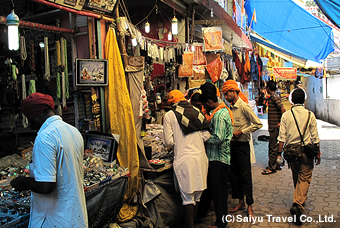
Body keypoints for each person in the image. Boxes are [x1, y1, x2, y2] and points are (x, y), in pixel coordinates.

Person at [10, 92, 88, 227]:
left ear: (39, 114)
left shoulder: (45, 137)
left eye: (30, 118)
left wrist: (23, 182)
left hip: (55, 219)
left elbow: (47, 186)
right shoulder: (73, 131)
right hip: (74, 216)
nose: (30, 125)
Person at [163, 90, 211, 228]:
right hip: (201, 158)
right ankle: (192, 224)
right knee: (197, 197)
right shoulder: (196, 111)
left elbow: (168, 142)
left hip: (184, 160)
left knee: (188, 199)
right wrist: (194, 139)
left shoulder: (170, 115)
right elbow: (206, 136)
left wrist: (181, 141)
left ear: (171, 102)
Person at [277, 88, 321, 225]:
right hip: (306, 152)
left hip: (291, 152)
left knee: (297, 176)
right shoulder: (310, 115)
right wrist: (318, 153)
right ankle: (298, 205)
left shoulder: (286, 115)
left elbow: (281, 137)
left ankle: (299, 201)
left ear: (291, 100)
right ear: (304, 100)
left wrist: (279, 153)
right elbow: (315, 137)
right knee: (305, 178)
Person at [222, 80, 262, 218]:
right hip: (232, 145)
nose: (226, 97)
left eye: (227, 94)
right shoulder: (230, 107)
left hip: (242, 146)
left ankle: (250, 205)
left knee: (246, 176)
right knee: (235, 176)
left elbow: (258, 124)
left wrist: (243, 131)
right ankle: (241, 202)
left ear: (234, 92)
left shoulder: (244, 107)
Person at [196, 82, 233, 228]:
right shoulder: (219, 112)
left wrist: (202, 138)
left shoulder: (219, 115)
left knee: (219, 193)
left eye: (205, 104)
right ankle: (204, 216)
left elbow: (218, 138)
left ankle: (222, 223)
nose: (204, 107)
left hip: (218, 159)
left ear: (210, 101)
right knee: (214, 191)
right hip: (215, 159)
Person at [262, 80, 286, 175]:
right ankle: (276, 165)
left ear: (268, 88)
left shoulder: (274, 97)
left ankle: (272, 168)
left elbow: (283, 109)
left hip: (275, 127)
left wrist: (280, 122)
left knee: (272, 148)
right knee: (274, 147)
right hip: (273, 127)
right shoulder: (274, 97)